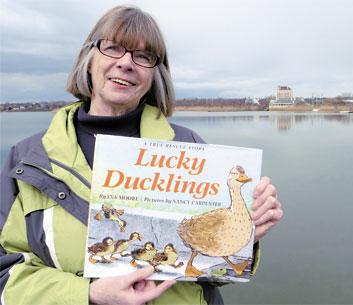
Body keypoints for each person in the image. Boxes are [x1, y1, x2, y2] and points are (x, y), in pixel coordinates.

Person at [0, 5, 283, 305]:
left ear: (155, 74)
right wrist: (87, 295)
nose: (125, 63)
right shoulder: (29, 159)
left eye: (144, 56)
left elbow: (214, 277)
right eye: (113, 48)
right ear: (89, 58)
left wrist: (243, 240)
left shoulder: (191, 149)